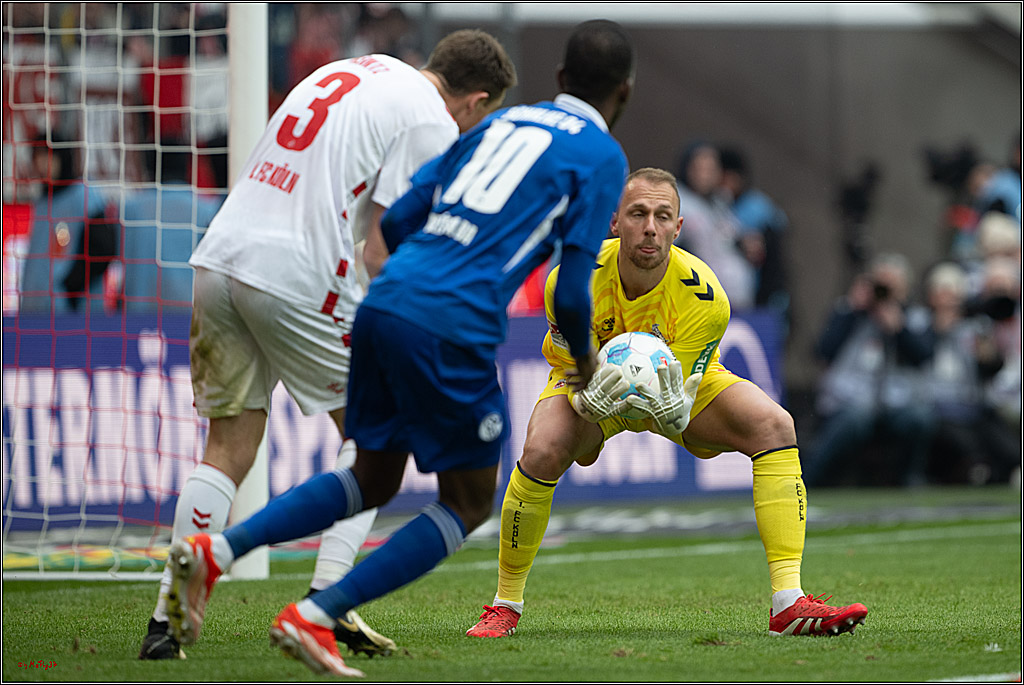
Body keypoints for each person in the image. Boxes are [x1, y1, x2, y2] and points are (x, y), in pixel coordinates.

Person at [162, 19, 636, 677]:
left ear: (558, 81)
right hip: (450, 318)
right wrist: (586, 367)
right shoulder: (602, 155)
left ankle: (218, 550)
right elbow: (577, 292)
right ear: (626, 92)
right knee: (468, 499)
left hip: (380, 300)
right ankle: (319, 611)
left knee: (371, 472)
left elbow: (402, 216)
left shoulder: (503, 125)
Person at [138, 30, 517, 661]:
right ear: (475, 102)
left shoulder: (352, 71)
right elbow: (379, 248)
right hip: (297, 273)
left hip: (221, 256)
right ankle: (330, 605)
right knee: (376, 443)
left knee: (228, 444)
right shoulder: (433, 121)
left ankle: (165, 625)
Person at [465, 167, 868, 640]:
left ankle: (788, 602)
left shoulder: (706, 296)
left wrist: (673, 410)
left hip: (677, 389)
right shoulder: (569, 282)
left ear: (679, 228)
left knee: (774, 424)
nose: (650, 227)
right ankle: (504, 605)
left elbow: (683, 388)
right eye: (638, 214)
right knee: (540, 450)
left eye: (662, 216)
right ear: (615, 222)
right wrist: (586, 398)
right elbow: (568, 365)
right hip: (592, 382)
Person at [804, 253, 936, 488]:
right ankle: (812, 479)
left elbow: (923, 356)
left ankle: (907, 479)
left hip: (896, 404)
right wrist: (854, 308)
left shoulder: (914, 317)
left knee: (920, 417)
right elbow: (822, 352)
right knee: (855, 418)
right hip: (850, 402)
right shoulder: (849, 312)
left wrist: (899, 329)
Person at [672, 141, 756, 310]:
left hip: (735, 304)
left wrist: (745, 243)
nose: (704, 175)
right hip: (695, 302)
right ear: (687, 167)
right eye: (699, 168)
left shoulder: (721, 203)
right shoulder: (677, 201)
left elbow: (732, 235)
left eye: (710, 169)